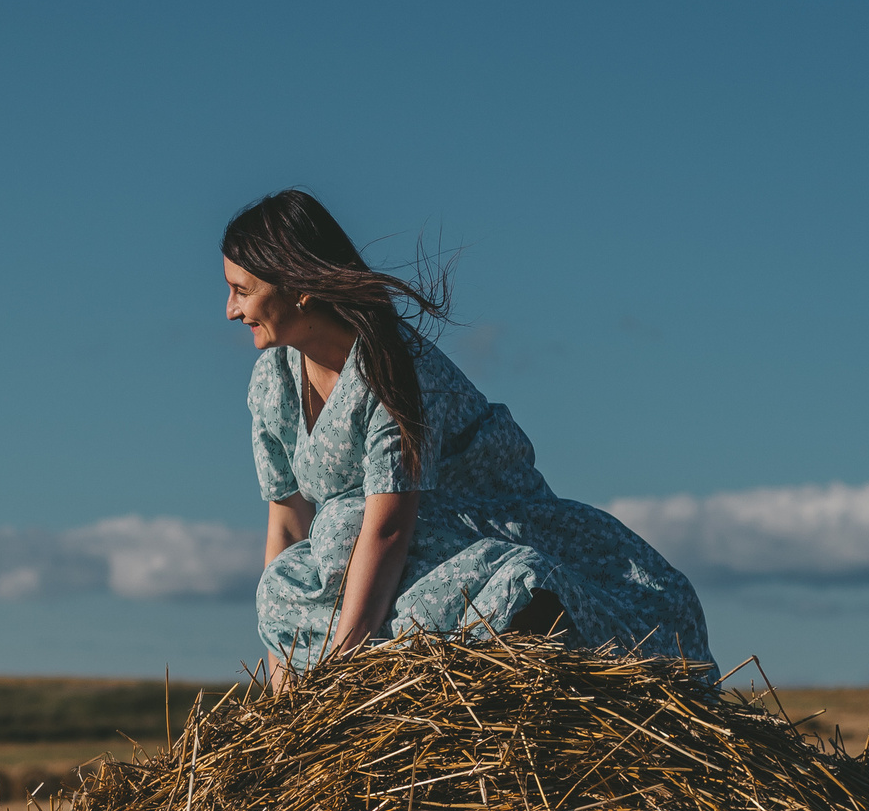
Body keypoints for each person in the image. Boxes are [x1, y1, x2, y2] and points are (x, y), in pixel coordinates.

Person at [222, 189, 715, 687]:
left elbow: (387, 526)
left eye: (241, 290)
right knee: (283, 577)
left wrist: (342, 671)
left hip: (480, 525)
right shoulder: (273, 384)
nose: (230, 310)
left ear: (296, 284)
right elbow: (286, 525)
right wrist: (283, 696)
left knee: (345, 520)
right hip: (360, 557)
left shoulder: (394, 369)